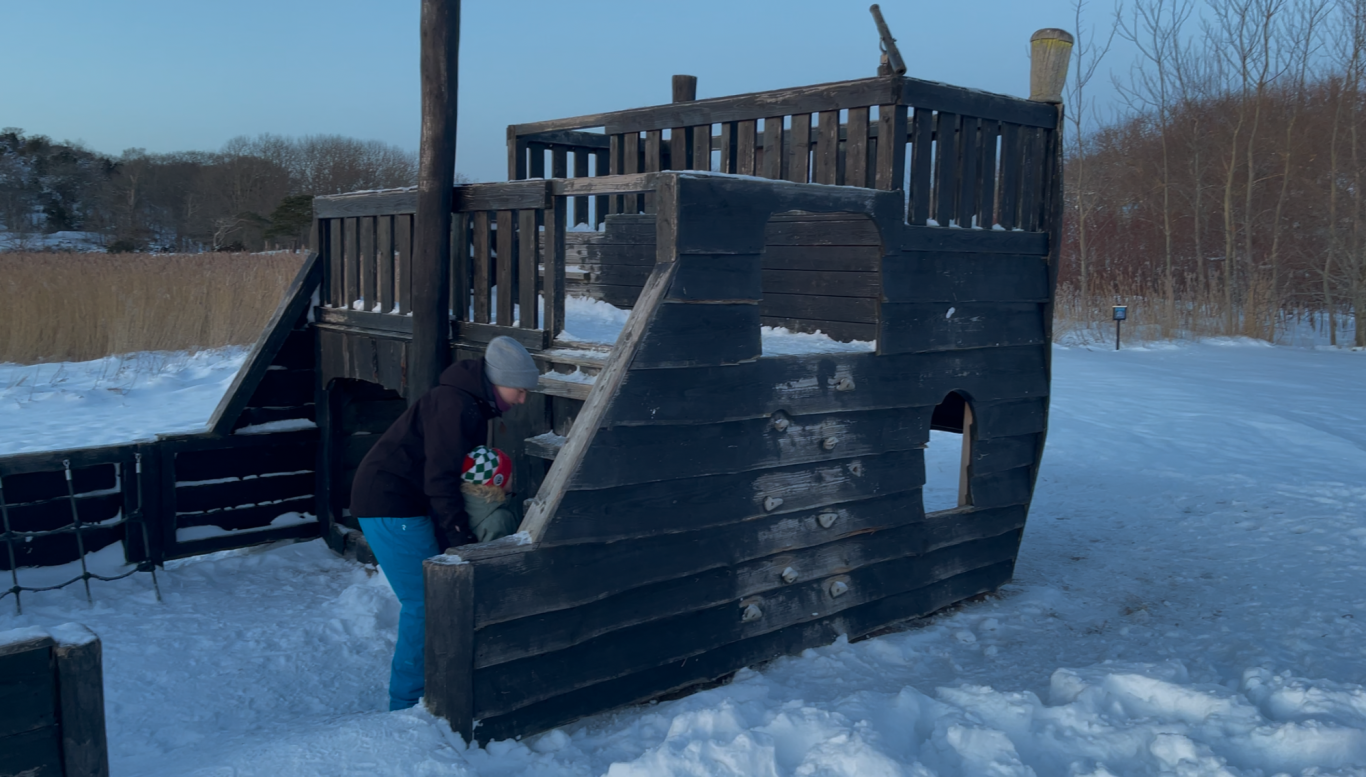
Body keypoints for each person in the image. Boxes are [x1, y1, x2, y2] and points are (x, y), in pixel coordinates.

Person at [350, 336, 539, 711]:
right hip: (390, 501)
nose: (522, 400)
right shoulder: (455, 406)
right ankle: (406, 704)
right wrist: (460, 536)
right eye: (519, 390)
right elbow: (441, 478)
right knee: (424, 601)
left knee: (436, 598)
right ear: (499, 381)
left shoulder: (471, 404)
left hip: (407, 503)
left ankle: (435, 687)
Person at [460, 445, 521, 543]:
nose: (512, 477)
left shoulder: (464, 505)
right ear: (498, 480)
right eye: (509, 473)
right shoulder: (498, 519)